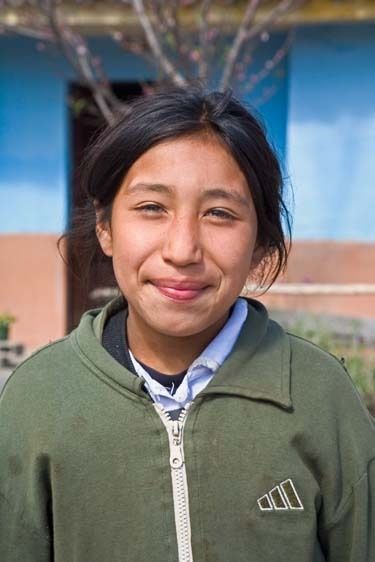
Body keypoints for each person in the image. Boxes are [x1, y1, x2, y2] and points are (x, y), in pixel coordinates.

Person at [0, 89, 374, 562]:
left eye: (220, 213)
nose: (182, 249)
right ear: (105, 226)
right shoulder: (38, 399)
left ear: (259, 243)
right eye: (152, 208)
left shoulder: (320, 394)